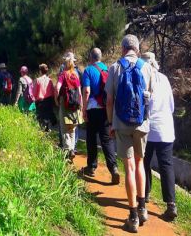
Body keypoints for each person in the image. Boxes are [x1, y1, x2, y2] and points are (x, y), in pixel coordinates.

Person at [105, 34, 153, 233]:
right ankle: (143, 209)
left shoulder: (115, 68)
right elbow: (150, 97)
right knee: (141, 163)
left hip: (122, 123)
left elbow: (109, 101)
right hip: (142, 123)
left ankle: (132, 216)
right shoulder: (147, 67)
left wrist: (110, 122)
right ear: (137, 49)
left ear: (123, 48)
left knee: (129, 167)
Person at [141, 52, 177, 221]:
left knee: (144, 162)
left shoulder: (143, 79)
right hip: (166, 128)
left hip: (148, 129)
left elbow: (143, 107)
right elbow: (171, 106)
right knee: (166, 166)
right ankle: (171, 204)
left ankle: (145, 193)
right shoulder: (164, 78)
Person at [81, 48, 120, 184]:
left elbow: (86, 91)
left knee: (91, 138)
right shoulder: (107, 70)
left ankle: (91, 166)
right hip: (105, 108)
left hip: (92, 108)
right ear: (101, 57)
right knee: (106, 139)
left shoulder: (88, 70)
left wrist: (84, 109)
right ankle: (113, 168)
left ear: (91, 57)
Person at [55, 55, 83, 160]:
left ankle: (67, 150)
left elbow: (57, 88)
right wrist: (81, 105)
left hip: (65, 103)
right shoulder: (76, 75)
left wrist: (56, 99)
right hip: (75, 104)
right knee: (72, 128)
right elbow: (79, 92)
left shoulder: (63, 75)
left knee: (64, 128)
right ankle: (72, 148)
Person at [34, 64, 57, 131]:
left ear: (40, 71)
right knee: (47, 116)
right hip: (48, 100)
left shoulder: (38, 80)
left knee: (41, 117)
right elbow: (52, 91)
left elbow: (35, 92)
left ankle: (43, 131)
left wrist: (35, 99)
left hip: (40, 101)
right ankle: (48, 128)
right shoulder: (49, 80)